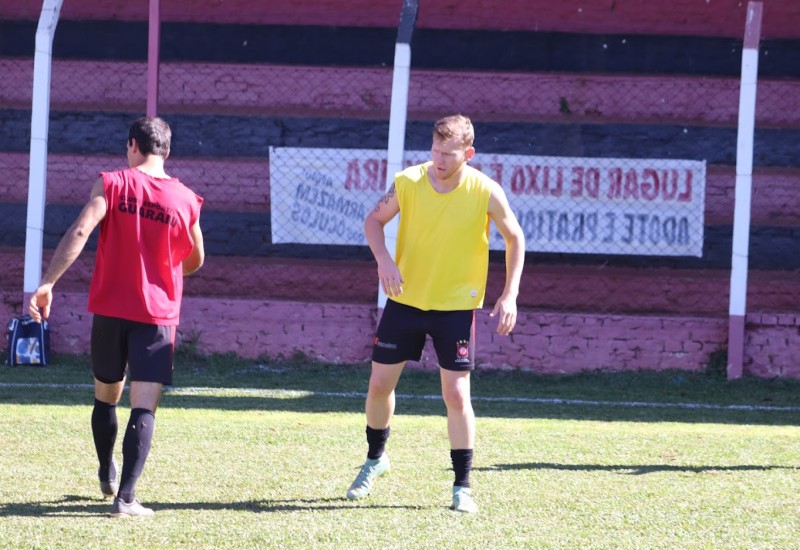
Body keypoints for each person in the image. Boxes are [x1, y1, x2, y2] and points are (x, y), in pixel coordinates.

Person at [347, 114, 525, 513]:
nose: (440, 160)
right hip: (406, 301)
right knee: (379, 385)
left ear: (469, 154)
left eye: (449, 153)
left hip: (456, 308)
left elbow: (516, 237)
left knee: (456, 394)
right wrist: (384, 262)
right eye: (435, 151)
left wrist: (509, 294)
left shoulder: (485, 190)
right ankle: (375, 460)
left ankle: (462, 487)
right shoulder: (409, 182)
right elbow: (373, 221)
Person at [28, 116, 205, 518]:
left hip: (110, 310)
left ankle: (107, 471)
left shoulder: (112, 183)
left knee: (106, 395)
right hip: (157, 315)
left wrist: (47, 283)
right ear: (167, 152)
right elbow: (195, 260)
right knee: (144, 405)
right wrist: (162, 260)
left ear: (131, 146)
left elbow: (80, 231)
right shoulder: (187, 200)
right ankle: (125, 497)